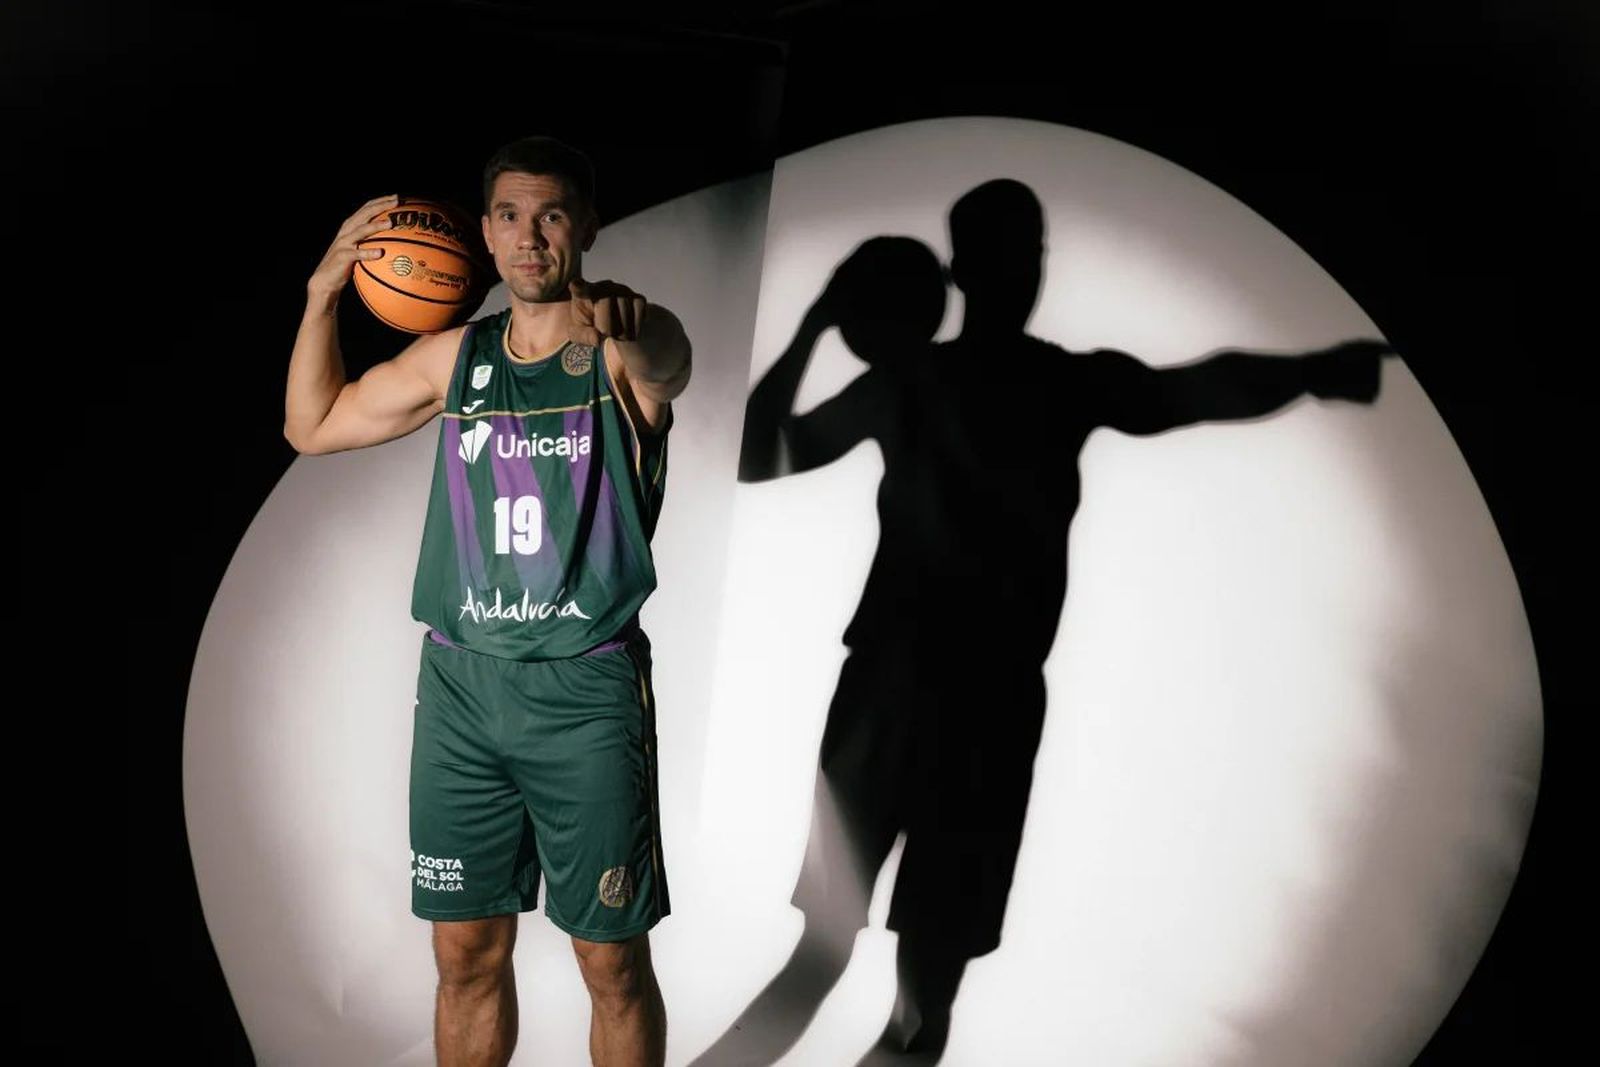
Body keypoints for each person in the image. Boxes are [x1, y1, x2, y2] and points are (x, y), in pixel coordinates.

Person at [700, 180, 1386, 1066]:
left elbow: (1197, 387)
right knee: (858, 970)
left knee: (917, 992)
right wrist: (817, 323)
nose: (1022, 272)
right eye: (1009, 256)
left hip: (958, 702)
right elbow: (753, 457)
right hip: (908, 692)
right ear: (968, 271)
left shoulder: (1011, 382)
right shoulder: (940, 382)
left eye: (1029, 255)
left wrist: (1312, 373)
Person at [283, 136, 691, 1067]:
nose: (529, 236)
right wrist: (321, 295)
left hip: (583, 694)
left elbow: (668, 363)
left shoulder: (617, 352)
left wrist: (635, 323)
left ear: (588, 226)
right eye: (509, 215)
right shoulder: (454, 359)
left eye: (551, 214)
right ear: (484, 231)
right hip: (461, 693)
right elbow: (311, 423)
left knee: (611, 961)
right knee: (464, 953)